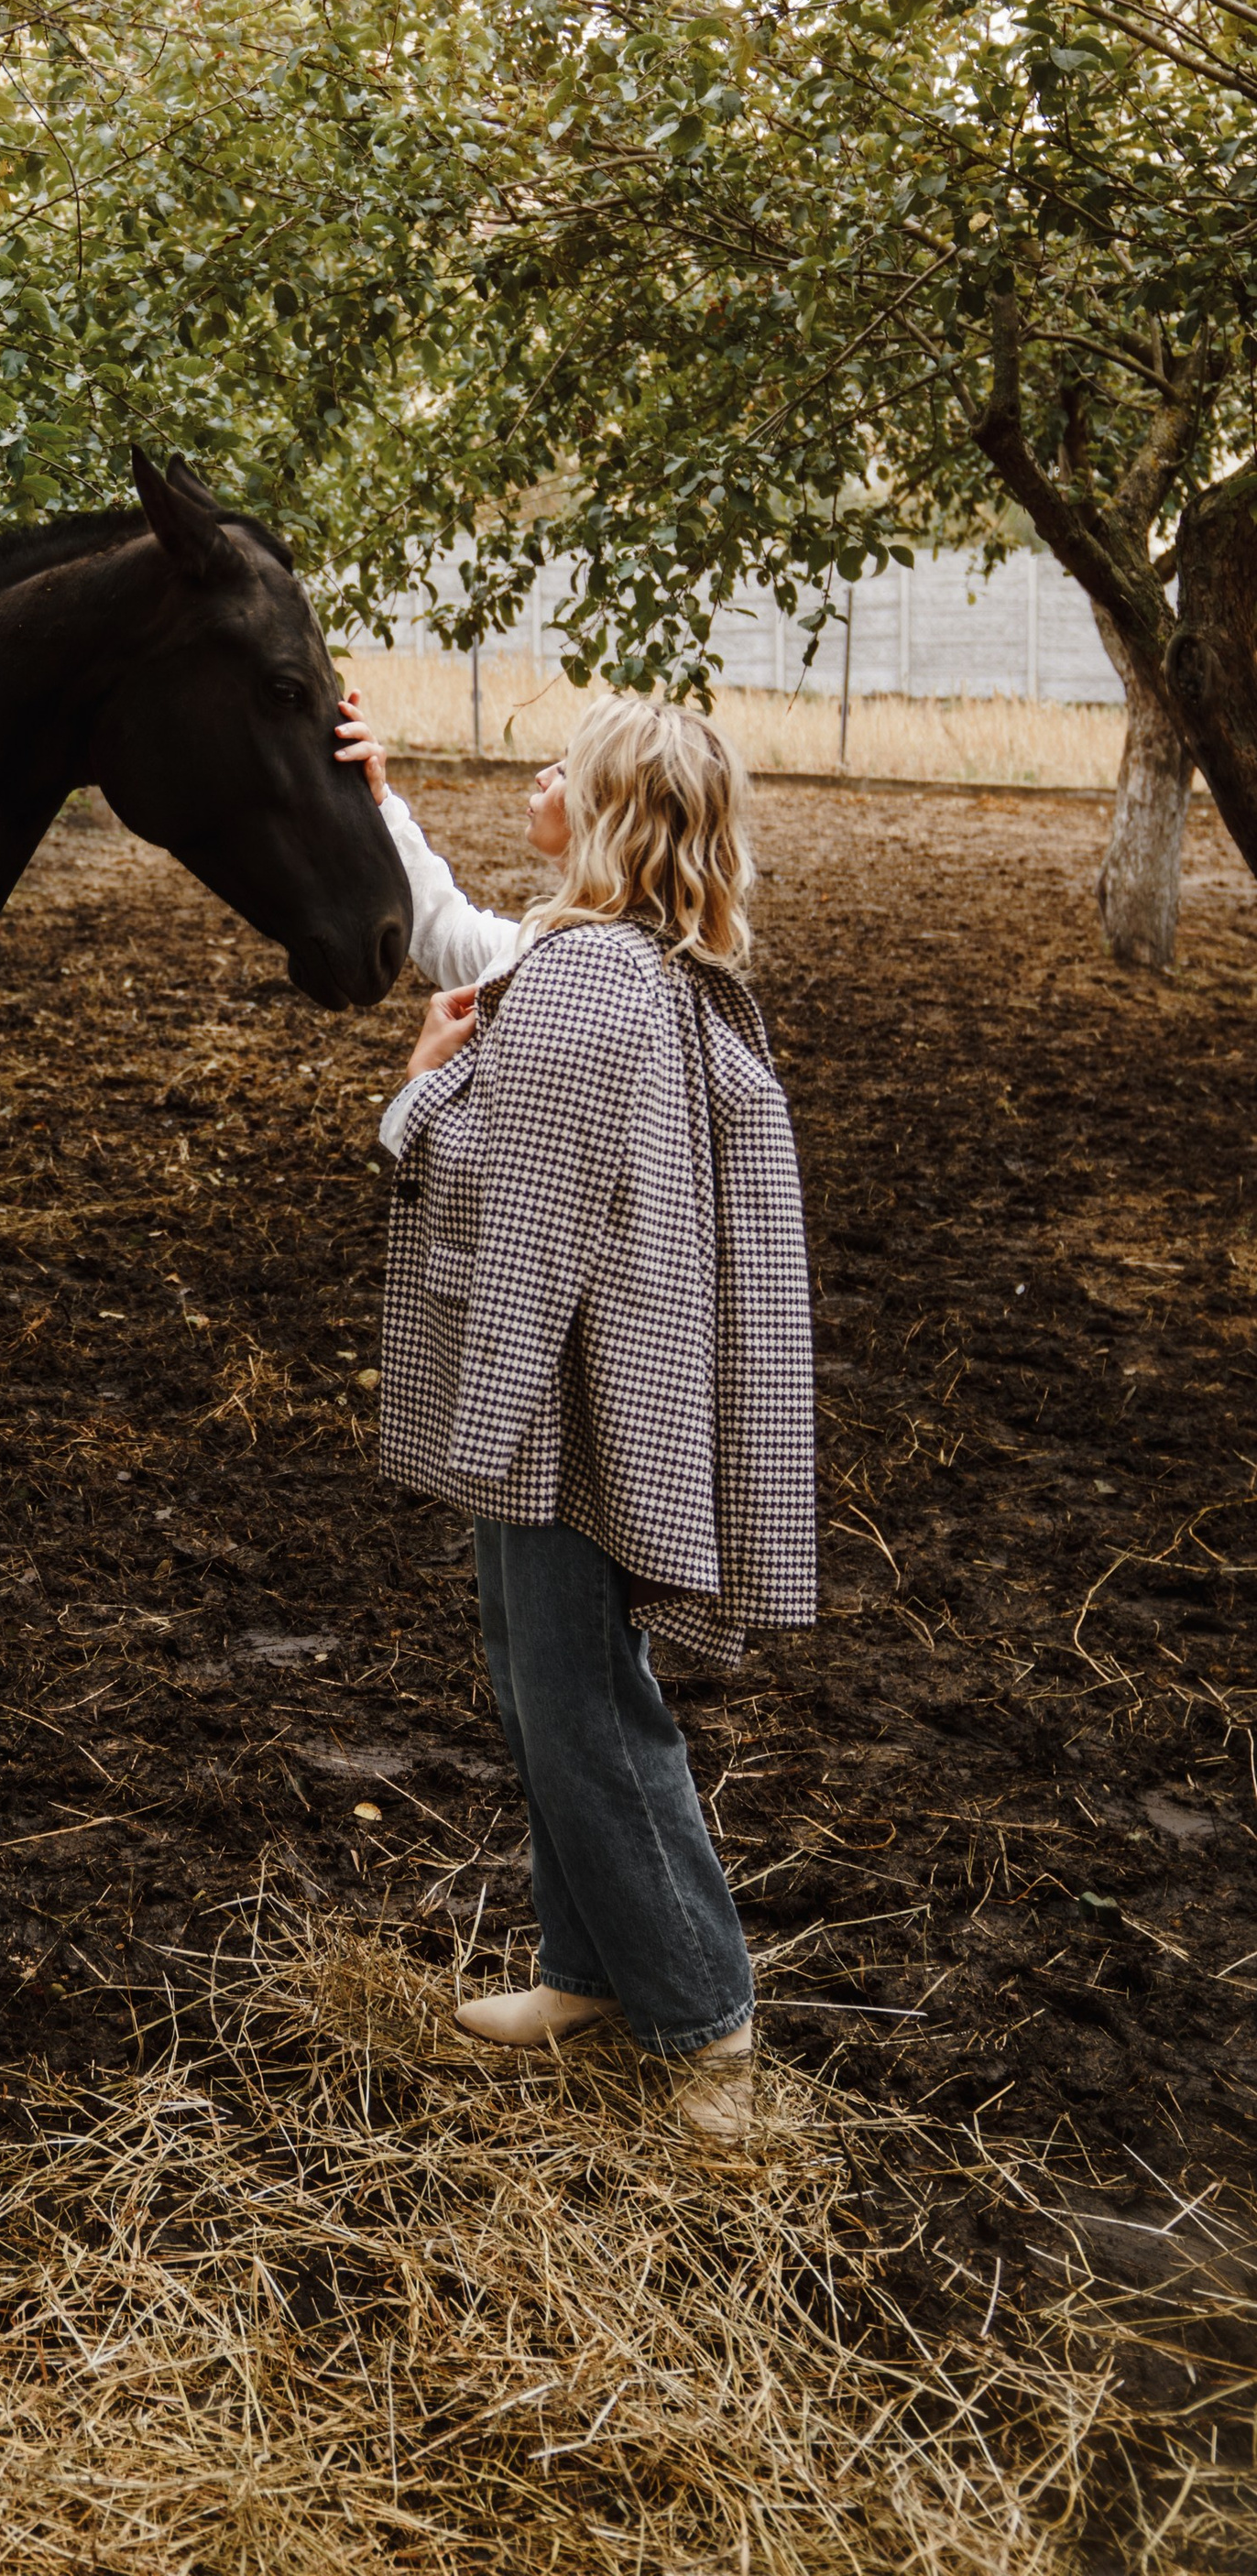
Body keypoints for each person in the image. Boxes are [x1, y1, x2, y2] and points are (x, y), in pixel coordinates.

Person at [329, 687, 815, 2146]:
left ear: (603, 810)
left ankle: (705, 2016)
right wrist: (378, 792)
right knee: (550, 1683)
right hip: (592, 1377)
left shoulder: (589, 984)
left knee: (586, 1701)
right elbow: (454, 933)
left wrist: (409, 1100)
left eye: (563, 764)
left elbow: (511, 1195)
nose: (535, 774)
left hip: (571, 1400)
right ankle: (593, 1969)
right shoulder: (601, 958)